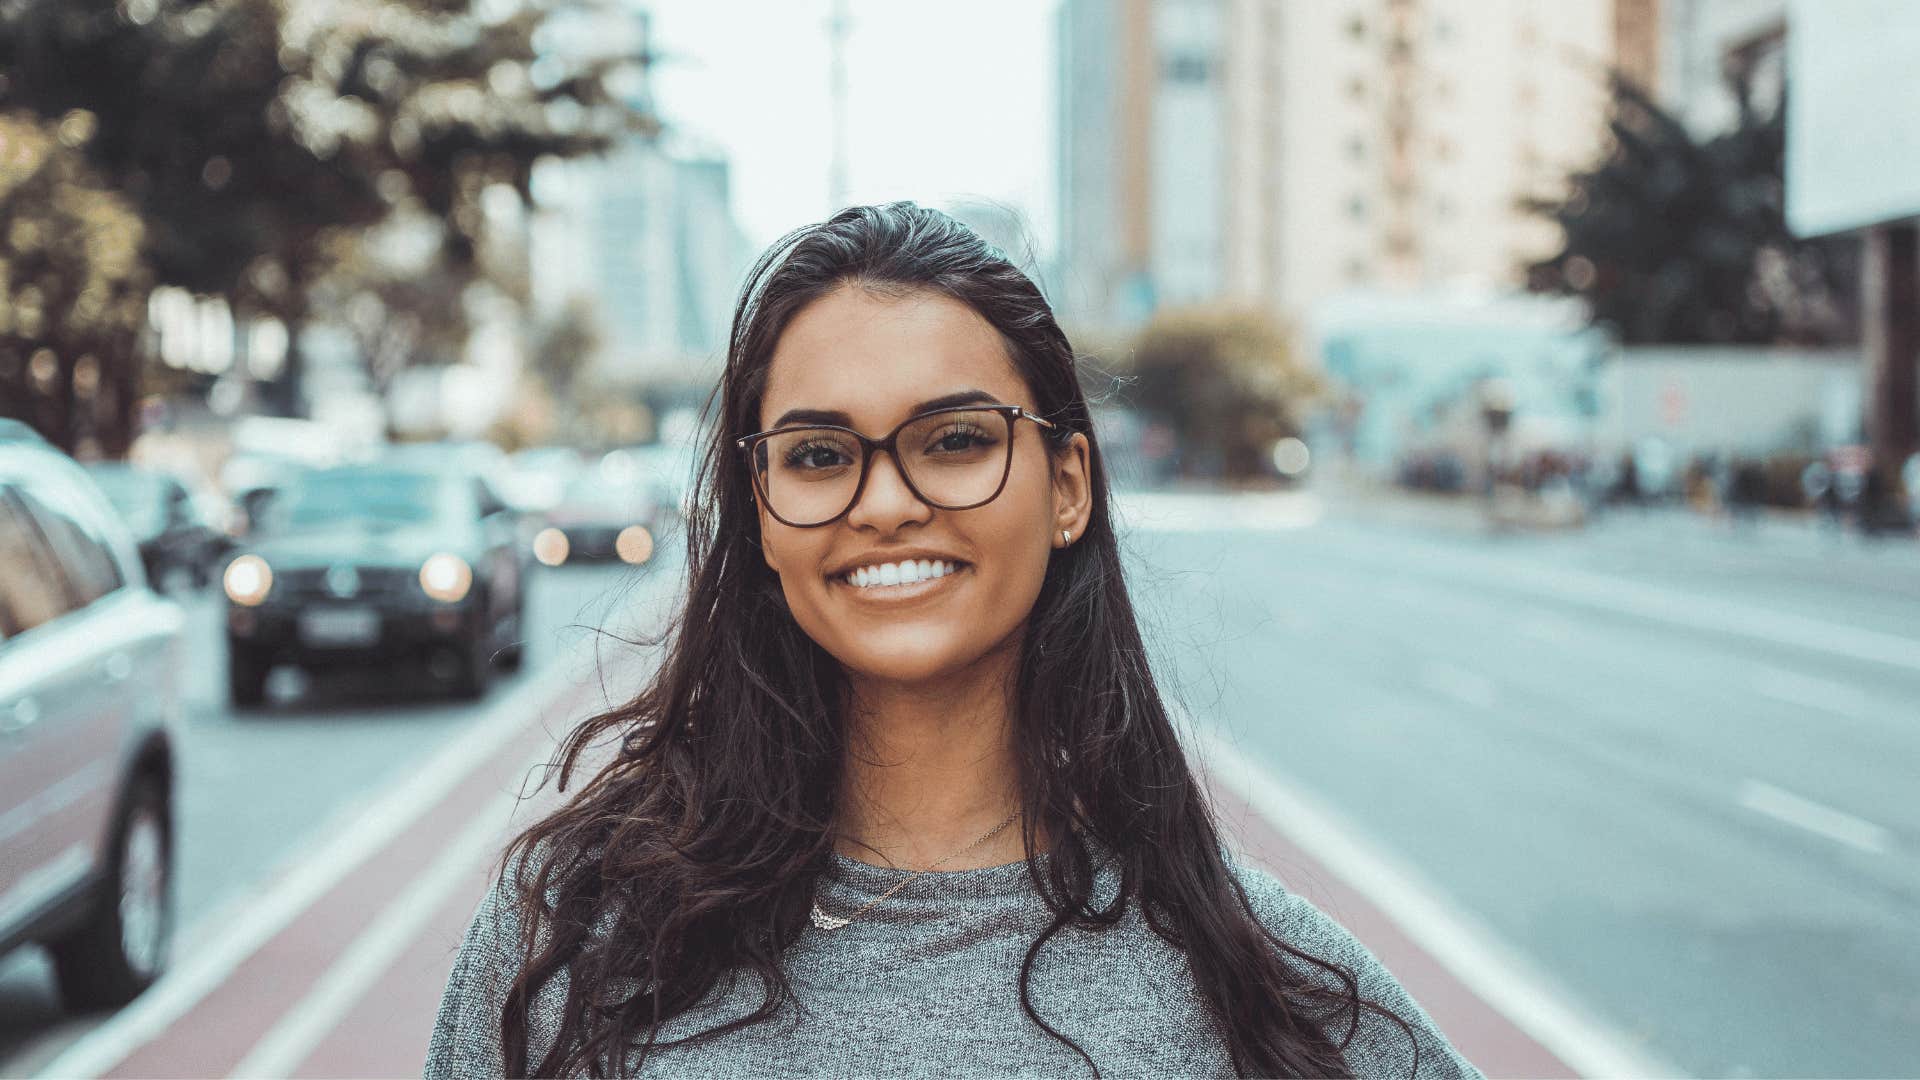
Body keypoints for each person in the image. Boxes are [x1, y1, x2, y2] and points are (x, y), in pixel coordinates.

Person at [426, 203, 1483, 1078]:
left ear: (1066, 486)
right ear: (759, 510)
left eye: (958, 441)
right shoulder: (568, 946)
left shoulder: (1264, 991)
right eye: (820, 454)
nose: (884, 502)